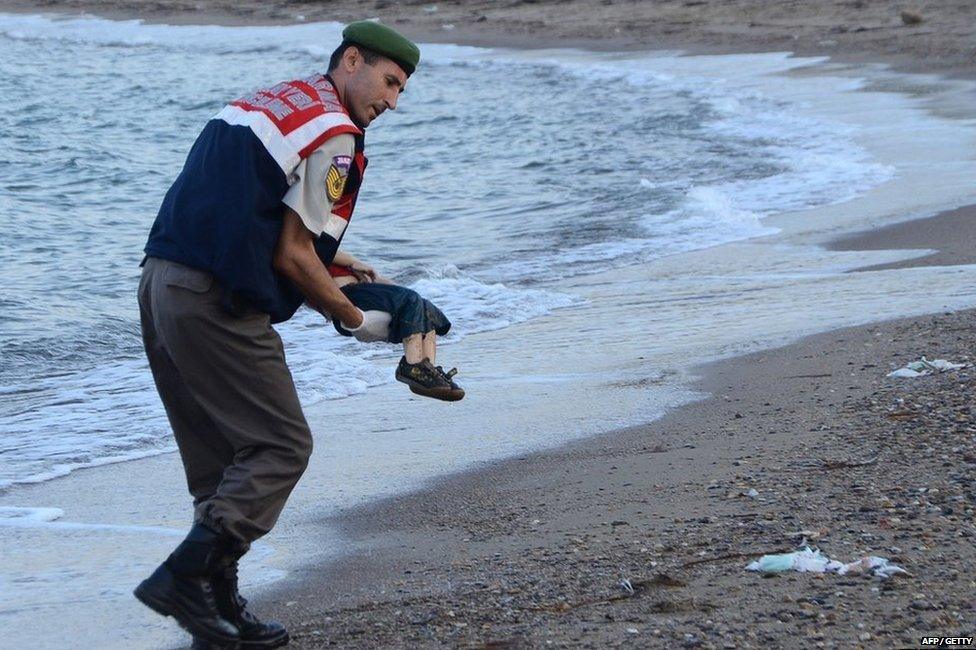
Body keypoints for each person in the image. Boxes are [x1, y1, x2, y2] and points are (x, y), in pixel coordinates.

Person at [133, 22, 423, 648]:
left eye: (401, 91)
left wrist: (337, 262)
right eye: (390, 82)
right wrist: (355, 320)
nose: (393, 102)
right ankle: (183, 578)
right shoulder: (337, 135)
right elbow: (292, 256)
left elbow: (243, 202)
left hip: (161, 284)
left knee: (219, 464)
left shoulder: (273, 100)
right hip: (215, 300)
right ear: (352, 60)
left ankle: (217, 614)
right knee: (279, 448)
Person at [327, 250, 464, 401]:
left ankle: (428, 372)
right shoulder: (317, 252)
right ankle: (412, 367)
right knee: (411, 299)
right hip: (346, 295)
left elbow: (385, 284)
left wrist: (409, 299)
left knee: (424, 306)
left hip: (365, 292)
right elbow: (321, 248)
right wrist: (353, 262)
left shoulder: (347, 263)